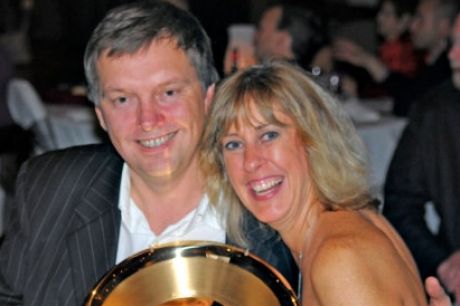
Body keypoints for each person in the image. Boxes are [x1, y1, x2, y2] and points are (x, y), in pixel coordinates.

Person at [0, 2, 297, 305]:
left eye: (168, 92)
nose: (148, 120)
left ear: (209, 98)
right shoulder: (49, 189)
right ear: (101, 115)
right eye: (123, 99)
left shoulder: (270, 208)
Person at [200, 60, 428, 305]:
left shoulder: (339, 258)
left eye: (269, 135)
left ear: (313, 140)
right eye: (233, 144)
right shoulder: (347, 222)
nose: (250, 161)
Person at [383, 10, 460, 303]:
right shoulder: (434, 113)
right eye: (453, 42)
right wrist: (446, 262)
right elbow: (400, 203)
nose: (452, 54)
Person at [334, 0, 457, 116]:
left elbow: (411, 104)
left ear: (443, 27)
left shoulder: (448, 67)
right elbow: (411, 91)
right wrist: (369, 62)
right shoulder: (433, 61)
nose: (412, 26)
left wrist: (370, 64)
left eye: (420, 19)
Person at [254, 4, 332, 74]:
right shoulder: (308, 82)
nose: (255, 35)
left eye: (261, 29)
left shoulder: (272, 83)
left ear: (282, 40)